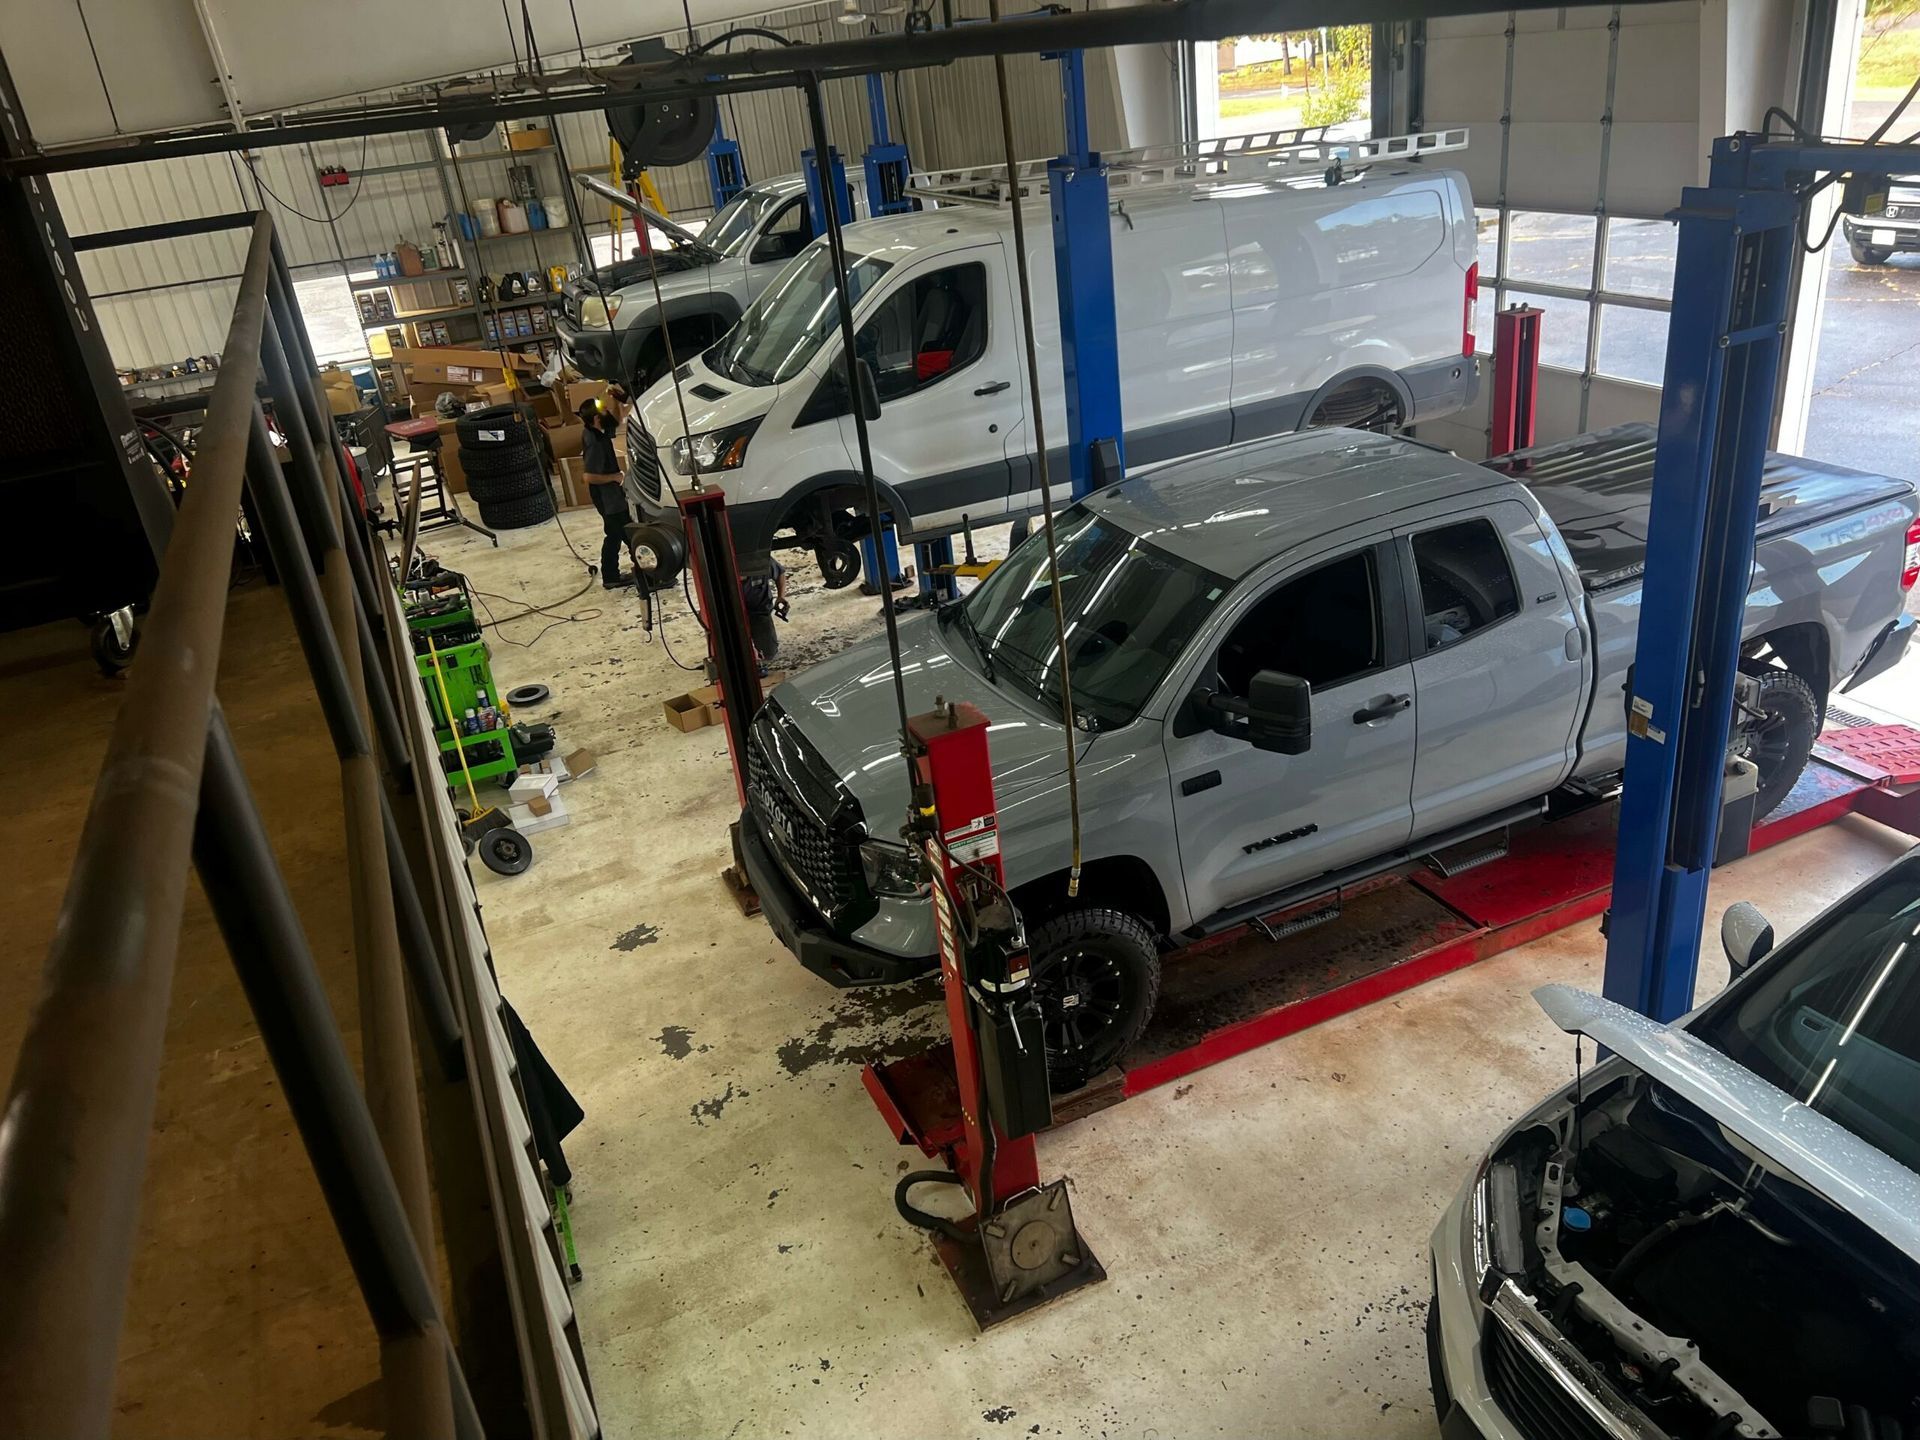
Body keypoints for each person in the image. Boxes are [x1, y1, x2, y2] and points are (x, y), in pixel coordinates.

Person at [580, 385, 631, 589]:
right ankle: (648, 570)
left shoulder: (596, 431)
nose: (607, 412)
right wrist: (615, 476)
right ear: (595, 419)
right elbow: (588, 477)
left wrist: (617, 400)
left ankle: (611, 576)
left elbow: (617, 422)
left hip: (611, 496)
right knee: (626, 532)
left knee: (614, 533)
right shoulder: (595, 442)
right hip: (607, 498)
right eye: (603, 411)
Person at [741, 558, 789, 674]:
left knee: (768, 652)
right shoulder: (720, 571)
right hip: (731, 616)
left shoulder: (760, 561)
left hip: (759, 611)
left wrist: (781, 596)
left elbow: (780, 573)